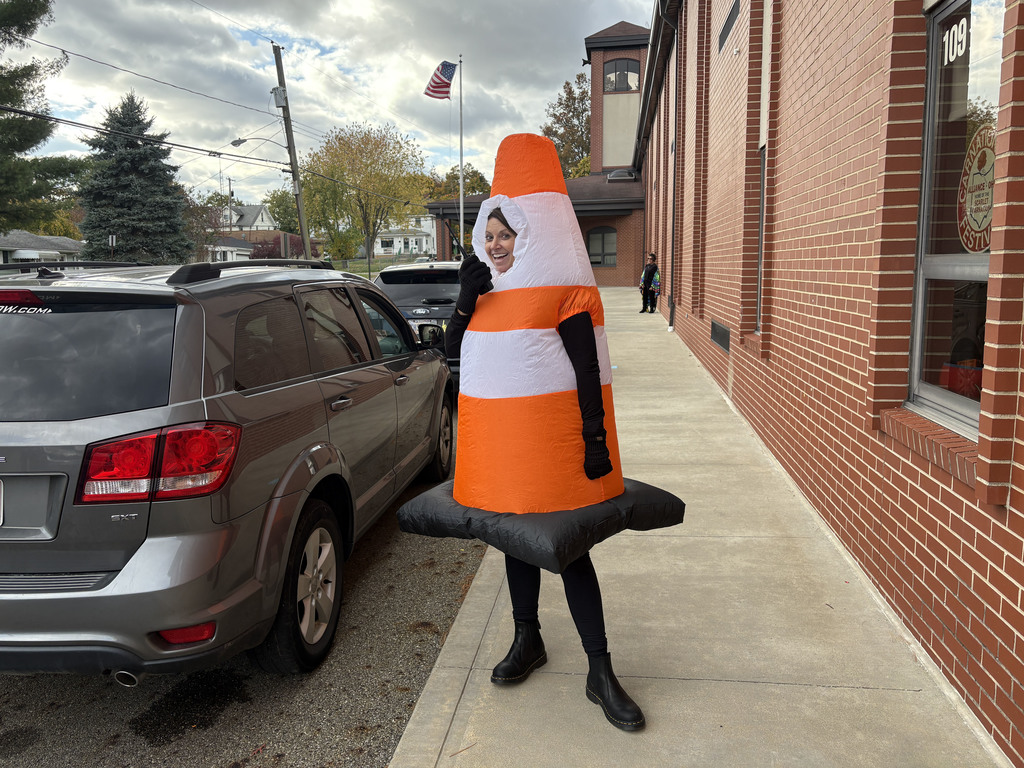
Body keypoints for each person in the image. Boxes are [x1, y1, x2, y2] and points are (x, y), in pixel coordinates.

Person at [397, 134, 685, 732]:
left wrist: (595, 438)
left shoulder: (563, 290)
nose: (497, 244)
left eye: (506, 234)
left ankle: (599, 670)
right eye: (490, 234)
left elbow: (586, 369)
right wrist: (462, 301)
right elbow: (452, 359)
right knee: (513, 540)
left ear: (526, 234)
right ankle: (527, 638)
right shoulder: (481, 292)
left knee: (571, 551)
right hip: (504, 457)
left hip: (557, 455)